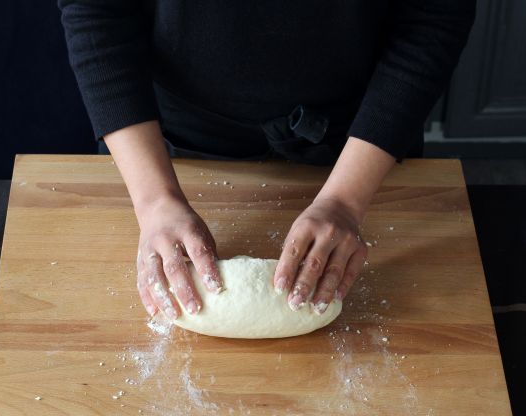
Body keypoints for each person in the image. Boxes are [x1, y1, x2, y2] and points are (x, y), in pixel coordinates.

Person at [58, 1, 475, 319]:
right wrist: (154, 202)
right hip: (164, 143)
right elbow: (97, 11)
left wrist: (346, 201)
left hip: (362, 138)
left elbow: (434, 17)